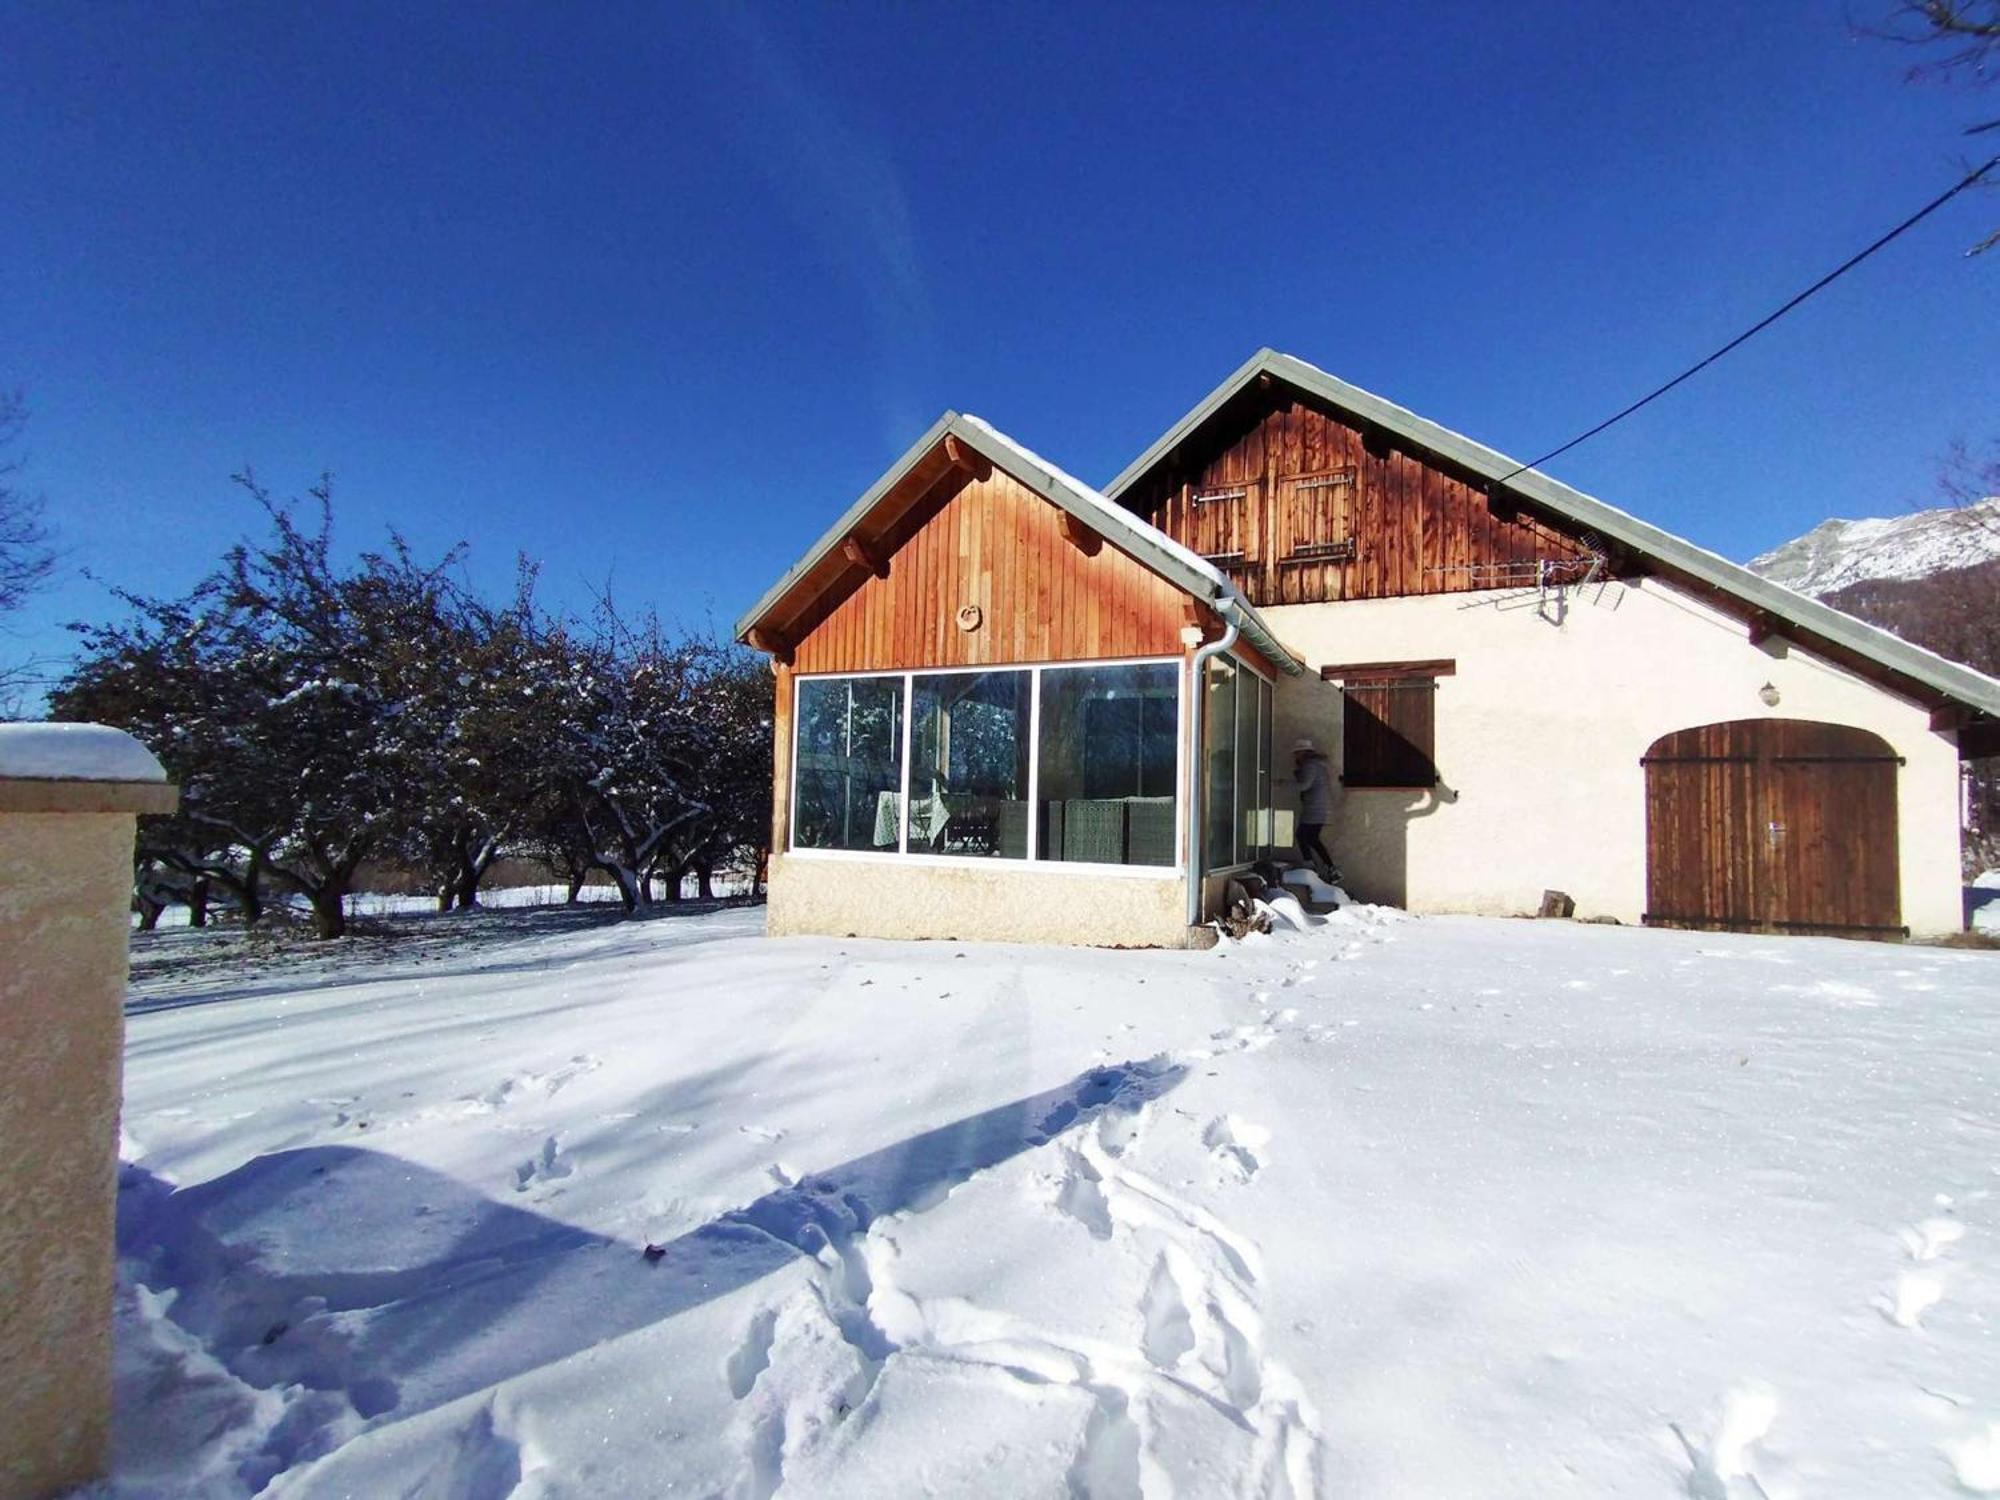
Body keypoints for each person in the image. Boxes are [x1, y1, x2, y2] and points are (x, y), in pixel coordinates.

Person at [1292, 737, 1336, 880]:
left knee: (1302, 836)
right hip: (1319, 809)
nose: (1295, 756)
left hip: (1314, 809)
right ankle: (1330, 869)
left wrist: (1283, 784)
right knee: (1312, 838)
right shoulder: (1317, 765)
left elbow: (1304, 785)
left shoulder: (1310, 766)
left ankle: (1311, 866)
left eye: (1297, 753)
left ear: (1303, 753)